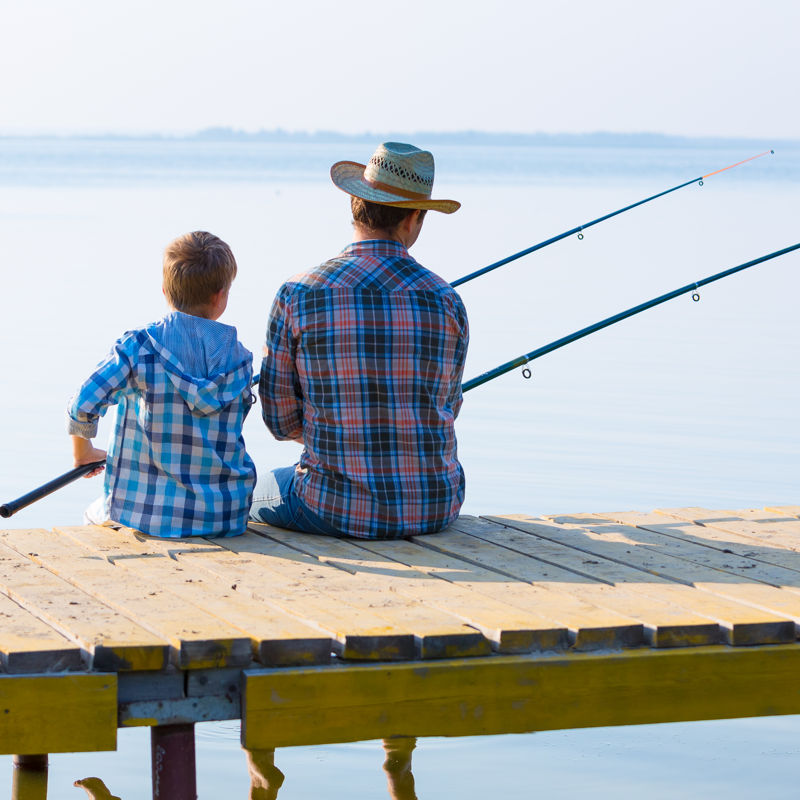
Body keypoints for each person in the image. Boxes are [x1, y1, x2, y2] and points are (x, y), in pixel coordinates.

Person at [251, 142, 468, 539]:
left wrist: (332, 428)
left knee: (254, 491)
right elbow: (447, 408)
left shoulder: (298, 294)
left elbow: (279, 422)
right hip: (436, 505)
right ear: (413, 220)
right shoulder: (447, 300)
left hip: (331, 508)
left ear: (355, 203)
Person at [67, 231, 256, 538]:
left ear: (165, 291)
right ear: (220, 296)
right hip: (223, 516)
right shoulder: (240, 359)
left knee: (92, 514)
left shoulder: (137, 349)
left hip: (144, 515)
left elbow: (83, 405)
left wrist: (83, 452)